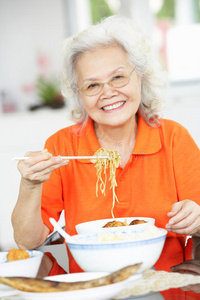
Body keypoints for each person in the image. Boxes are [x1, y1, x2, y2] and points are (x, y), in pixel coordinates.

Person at [12, 15, 200, 287]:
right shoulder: (63, 147)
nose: (108, 93)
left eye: (118, 77)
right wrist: (30, 184)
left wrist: (196, 219)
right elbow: (27, 241)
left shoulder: (172, 137)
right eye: (92, 85)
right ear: (79, 94)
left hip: (168, 285)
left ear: (140, 78)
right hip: (91, 287)